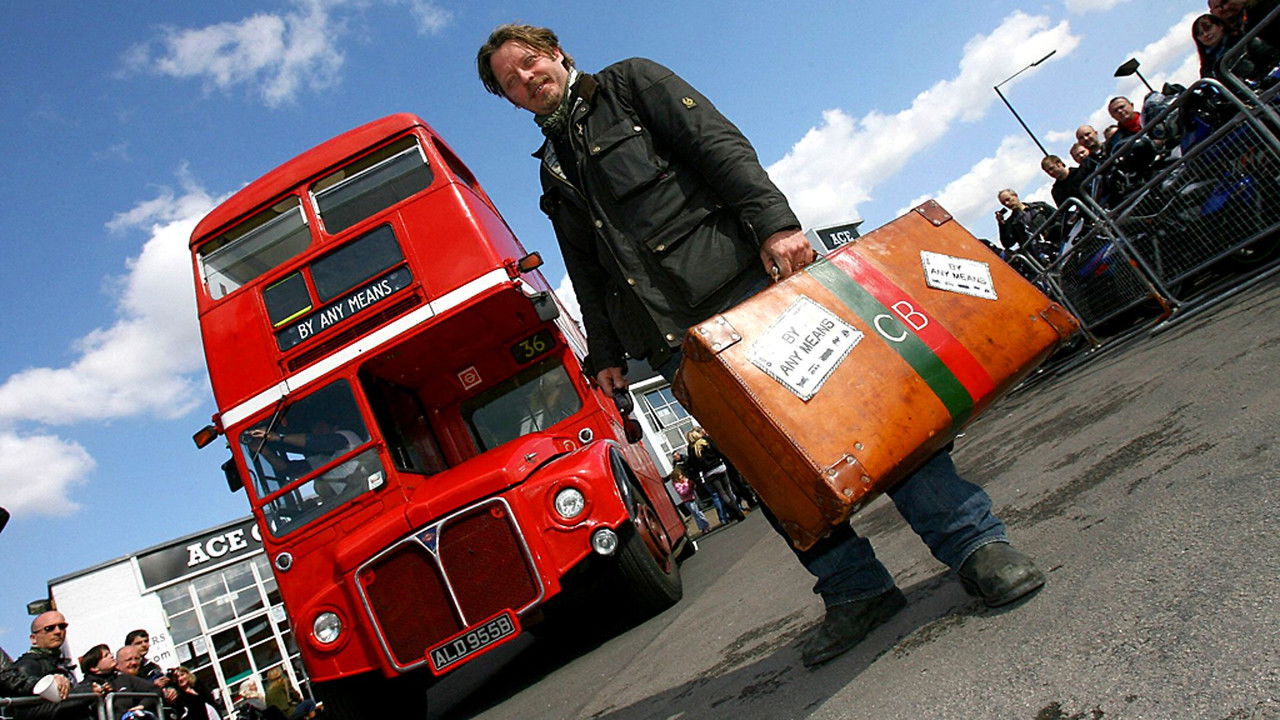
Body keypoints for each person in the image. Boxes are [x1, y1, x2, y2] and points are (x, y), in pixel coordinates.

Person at [477, 23, 1046, 667]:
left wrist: (776, 224)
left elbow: (718, 147)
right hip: (676, 341)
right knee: (768, 469)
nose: (526, 80)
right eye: (510, 82)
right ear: (510, 100)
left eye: (530, 63)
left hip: (744, 290)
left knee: (862, 418)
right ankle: (856, 590)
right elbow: (587, 269)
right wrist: (605, 353)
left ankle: (974, 544)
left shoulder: (631, 83)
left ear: (555, 54)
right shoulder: (553, 171)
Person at [72, 645, 159, 720]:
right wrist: (95, 693)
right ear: (94, 668)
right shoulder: (85, 687)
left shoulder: (124, 678)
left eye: (110, 653)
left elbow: (155, 689)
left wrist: (142, 705)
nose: (111, 656)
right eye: (106, 655)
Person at [994, 188, 1056, 255]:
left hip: (1056, 242)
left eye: (1008, 199)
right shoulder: (1011, 223)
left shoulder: (1039, 206)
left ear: (1015, 195)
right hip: (1037, 254)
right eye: (1003, 203)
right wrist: (1002, 224)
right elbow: (1007, 244)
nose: (1007, 203)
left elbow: (1059, 216)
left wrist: (1052, 230)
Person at [670, 464, 710, 535]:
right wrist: (688, 486)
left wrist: (691, 484)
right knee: (697, 514)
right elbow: (682, 492)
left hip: (693, 498)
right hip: (688, 501)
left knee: (699, 513)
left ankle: (706, 526)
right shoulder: (677, 485)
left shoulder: (685, 480)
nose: (682, 476)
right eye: (680, 475)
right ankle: (704, 527)